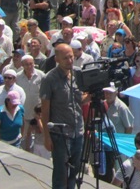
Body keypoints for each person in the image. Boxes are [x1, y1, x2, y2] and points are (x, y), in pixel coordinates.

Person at [41, 43, 85, 189]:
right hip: (60, 133)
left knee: (74, 170)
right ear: (57, 59)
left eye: (71, 57)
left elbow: (80, 100)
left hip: (77, 130)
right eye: (65, 58)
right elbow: (45, 110)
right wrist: (46, 137)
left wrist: (94, 95)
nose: (70, 61)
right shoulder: (49, 79)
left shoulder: (77, 74)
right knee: (61, 173)